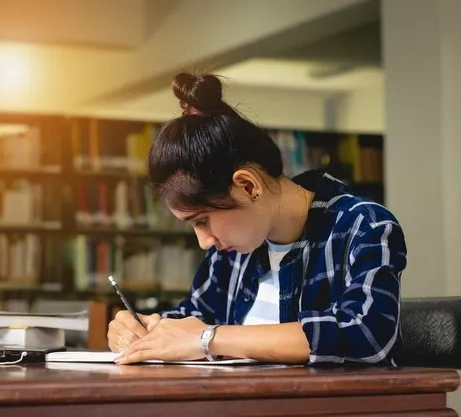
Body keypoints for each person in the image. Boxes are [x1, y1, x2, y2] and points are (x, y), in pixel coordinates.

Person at [108, 72, 407, 366]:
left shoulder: (363, 225)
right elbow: (194, 319)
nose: (204, 242)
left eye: (202, 221)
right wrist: (143, 330)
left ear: (248, 186)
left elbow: (365, 333)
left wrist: (209, 339)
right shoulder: (231, 252)